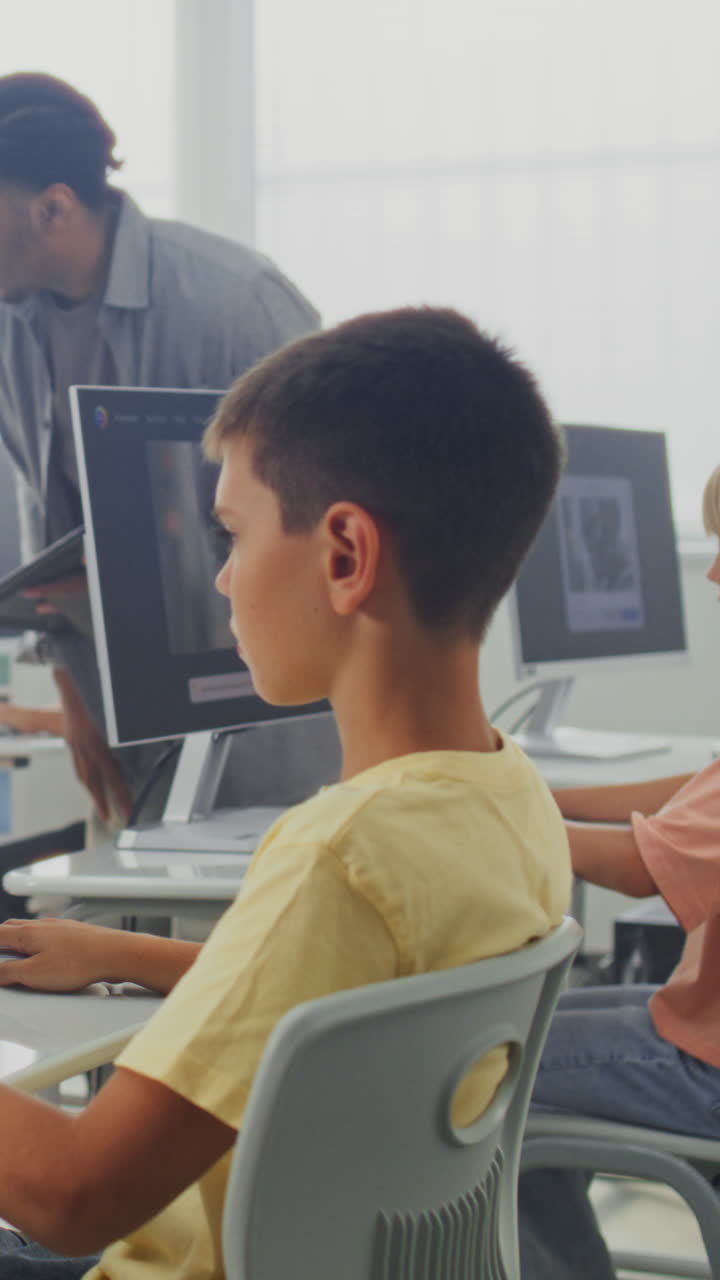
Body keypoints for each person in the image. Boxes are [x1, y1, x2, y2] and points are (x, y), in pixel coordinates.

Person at [0, 307, 570, 1278]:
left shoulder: (339, 852)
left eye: (235, 532)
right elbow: (346, 999)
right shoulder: (507, 796)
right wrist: (118, 951)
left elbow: (73, 1192)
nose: (222, 576)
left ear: (345, 553)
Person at [0, 71, 319, 823]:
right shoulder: (14, 323)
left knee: (271, 911)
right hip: (122, 697)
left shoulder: (235, 302)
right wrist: (73, 702)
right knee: (152, 912)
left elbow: (336, 509)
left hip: (269, 703)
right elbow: (46, 516)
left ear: (54, 207)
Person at [518, 462, 720, 1279]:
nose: (711, 572)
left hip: (705, 1067)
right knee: (517, 1031)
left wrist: (487, 809)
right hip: (701, 1025)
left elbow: (643, 867)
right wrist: (537, 789)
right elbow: (695, 790)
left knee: (477, 1069)